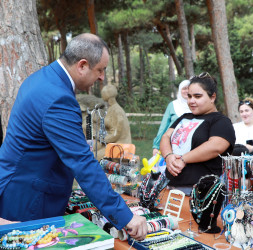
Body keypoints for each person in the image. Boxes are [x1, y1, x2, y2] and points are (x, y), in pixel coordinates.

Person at [0, 33, 147, 240]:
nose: (102, 77)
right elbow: (83, 163)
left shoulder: (42, 78)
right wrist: (125, 216)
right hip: (27, 199)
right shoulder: (58, 98)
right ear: (82, 65)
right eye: (101, 69)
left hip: (17, 186)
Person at [160, 72, 235, 196]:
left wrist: (183, 159)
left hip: (199, 193)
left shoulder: (221, 122)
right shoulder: (184, 117)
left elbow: (215, 146)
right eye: (189, 96)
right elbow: (166, 136)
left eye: (197, 96)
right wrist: (168, 156)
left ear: (212, 97)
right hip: (168, 186)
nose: (191, 101)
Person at [152, 80, 190, 156]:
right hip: (171, 145)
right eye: (184, 88)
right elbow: (164, 126)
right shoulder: (173, 105)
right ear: (180, 90)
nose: (187, 91)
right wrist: (156, 146)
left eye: (189, 88)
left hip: (190, 145)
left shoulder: (196, 106)